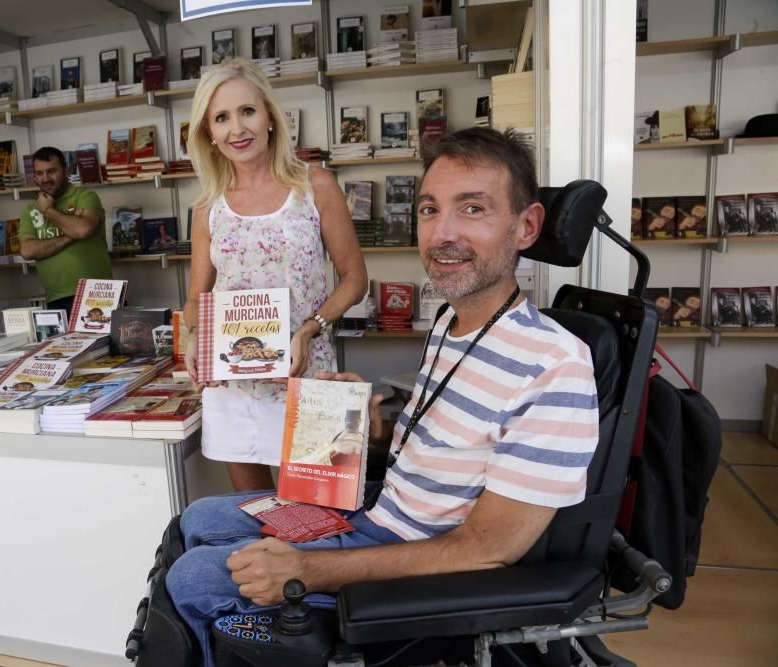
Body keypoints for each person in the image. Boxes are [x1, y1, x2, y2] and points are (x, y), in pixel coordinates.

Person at [166, 128, 600, 667]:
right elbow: (444, 454)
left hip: (414, 561)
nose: (442, 234)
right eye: (428, 210)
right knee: (202, 518)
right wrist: (374, 431)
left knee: (193, 577)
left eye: (472, 210)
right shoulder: (451, 322)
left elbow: (488, 549)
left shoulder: (556, 364)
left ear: (527, 225)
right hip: (380, 513)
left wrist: (308, 570)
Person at [183, 58, 368, 492]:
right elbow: (196, 296)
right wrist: (193, 333)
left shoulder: (315, 184)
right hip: (234, 386)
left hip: (309, 377)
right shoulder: (208, 206)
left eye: (247, 111)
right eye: (221, 118)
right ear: (208, 132)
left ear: (270, 116)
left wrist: (308, 330)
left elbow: (354, 279)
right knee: (253, 515)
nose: (237, 129)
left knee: (316, 520)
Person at [18, 146, 113, 312]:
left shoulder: (85, 197)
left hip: (97, 293)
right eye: (39, 173)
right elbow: (27, 250)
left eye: (51, 171)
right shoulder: (30, 210)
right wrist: (70, 235)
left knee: (101, 339)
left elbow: (82, 230)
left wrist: (48, 210)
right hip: (55, 298)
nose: (45, 178)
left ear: (66, 170)